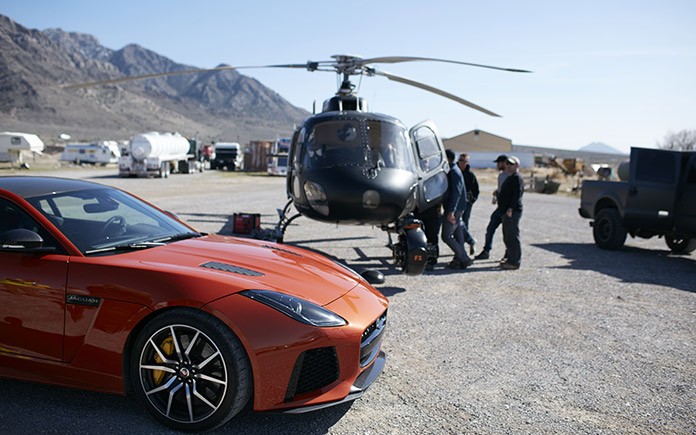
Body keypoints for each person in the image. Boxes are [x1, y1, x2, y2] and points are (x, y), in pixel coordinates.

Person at [441, 149, 473, 269]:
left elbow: (456, 192)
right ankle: (460, 260)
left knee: (446, 236)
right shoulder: (454, 170)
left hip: (455, 209)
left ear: (447, 158)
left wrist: (451, 211)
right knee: (458, 235)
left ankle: (464, 258)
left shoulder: (453, 171)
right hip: (457, 208)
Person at [474, 154, 510, 260]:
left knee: (507, 233)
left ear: (504, 163)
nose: (497, 165)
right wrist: (496, 193)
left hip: (507, 209)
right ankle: (486, 251)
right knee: (490, 229)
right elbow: (501, 190)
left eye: (499, 163)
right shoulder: (501, 175)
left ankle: (509, 253)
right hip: (500, 208)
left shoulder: (510, 176)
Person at [498, 155, 524, 270]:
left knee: (513, 236)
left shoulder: (517, 178)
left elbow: (517, 196)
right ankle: (510, 259)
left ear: (517, 166)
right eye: (507, 163)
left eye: (511, 164)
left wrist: (510, 209)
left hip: (512, 212)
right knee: (507, 236)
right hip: (505, 211)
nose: (508, 166)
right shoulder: (510, 177)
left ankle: (515, 262)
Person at [458, 152, 479, 255]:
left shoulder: (470, 175)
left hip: (466, 204)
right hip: (455, 203)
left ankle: (466, 244)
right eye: (460, 160)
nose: (461, 163)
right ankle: (469, 241)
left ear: (467, 162)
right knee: (456, 225)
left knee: (464, 224)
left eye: (464, 161)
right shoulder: (455, 172)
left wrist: (471, 201)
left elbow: (476, 190)